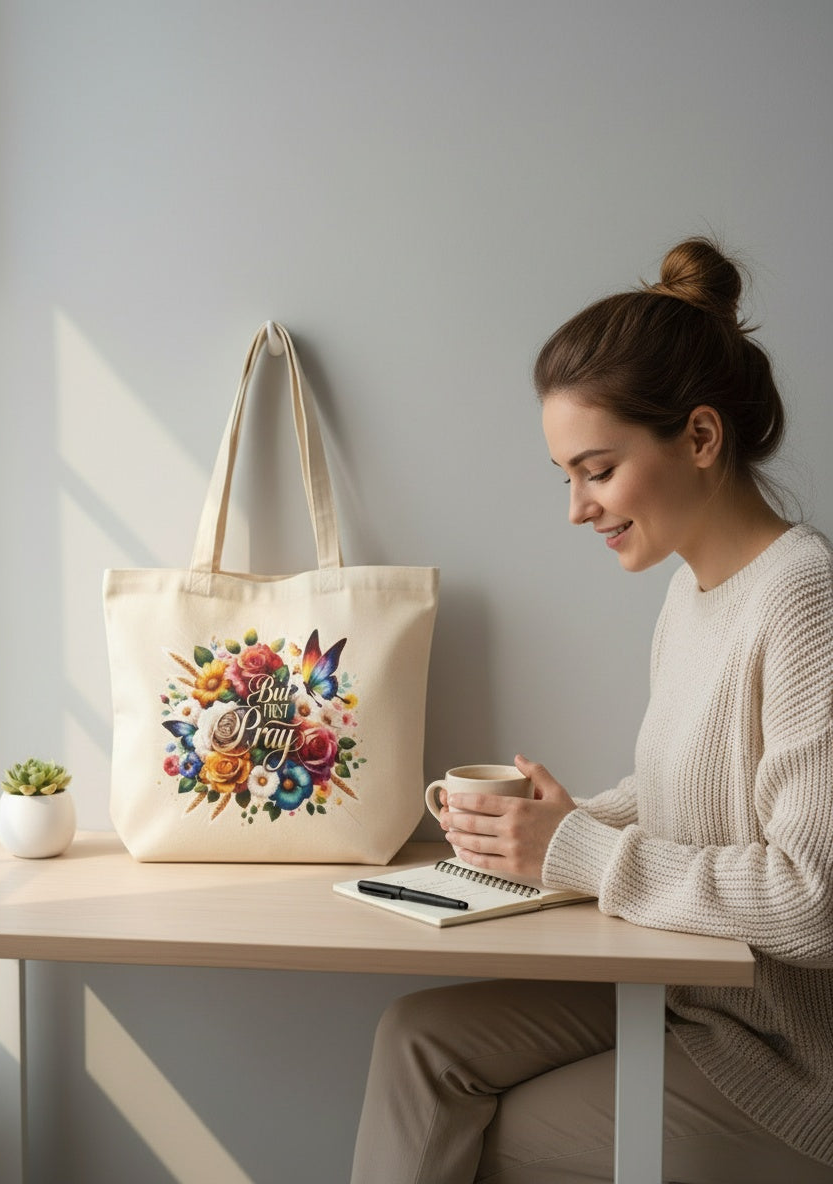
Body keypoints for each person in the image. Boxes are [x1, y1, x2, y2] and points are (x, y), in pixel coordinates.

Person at [349, 237, 833, 1183]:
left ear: (701, 438)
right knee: (416, 1041)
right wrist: (544, 829)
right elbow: (686, 796)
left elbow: (813, 900)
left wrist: (575, 851)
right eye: (565, 475)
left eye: (597, 470)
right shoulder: (691, 594)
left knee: (480, 1133)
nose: (576, 508)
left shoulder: (805, 599)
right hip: (682, 987)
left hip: (783, 1054)